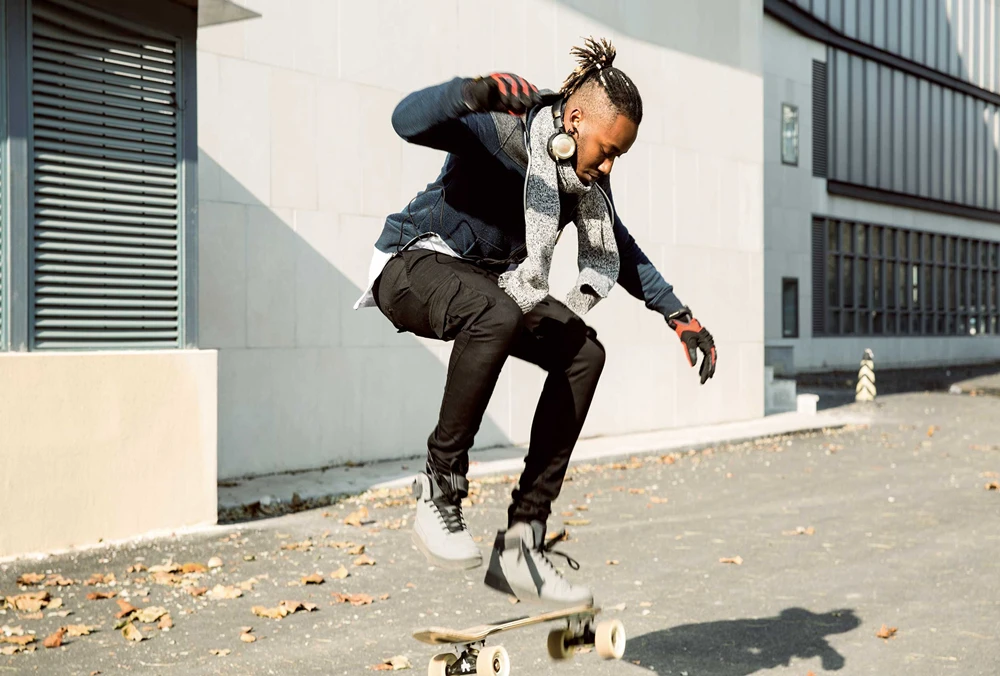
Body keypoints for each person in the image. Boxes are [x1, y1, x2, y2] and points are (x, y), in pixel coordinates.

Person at [354, 38, 717, 606]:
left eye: (619, 156)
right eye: (608, 150)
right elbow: (406, 121)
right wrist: (471, 93)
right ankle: (438, 490)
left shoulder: (583, 185)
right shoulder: (503, 129)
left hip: (492, 287)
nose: (609, 166)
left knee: (583, 354)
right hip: (413, 263)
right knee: (495, 311)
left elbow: (618, 247)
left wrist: (678, 313)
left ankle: (523, 541)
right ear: (574, 121)